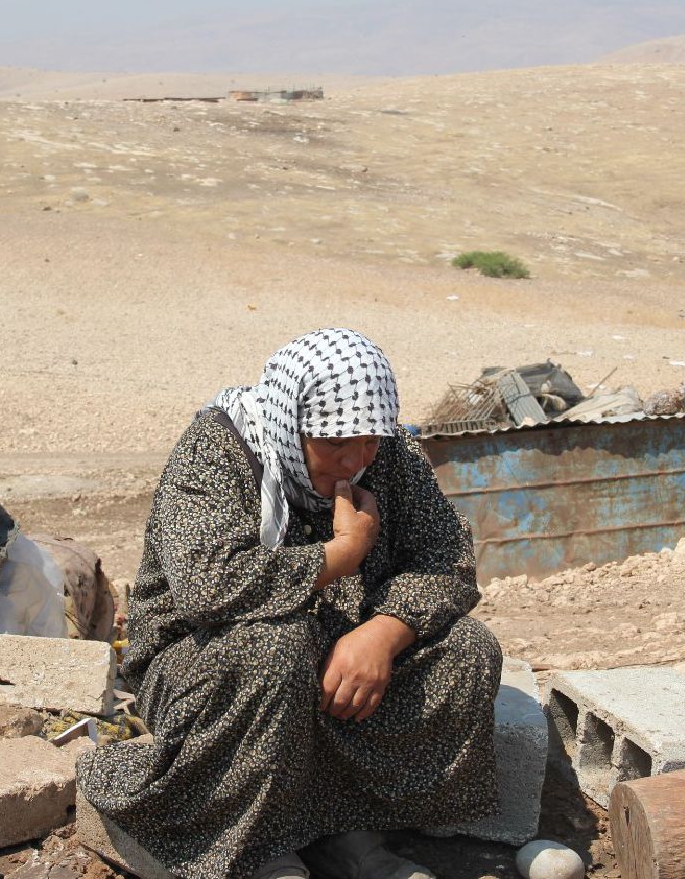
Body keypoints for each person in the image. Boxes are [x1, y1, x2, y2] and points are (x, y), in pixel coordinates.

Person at [76, 328, 502, 879]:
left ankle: (342, 829)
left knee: (467, 651)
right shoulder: (220, 449)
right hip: (207, 665)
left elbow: (448, 556)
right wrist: (341, 555)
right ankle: (247, 842)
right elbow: (208, 585)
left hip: (335, 656)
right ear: (290, 421)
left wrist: (382, 632)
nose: (354, 460)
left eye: (369, 439)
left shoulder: (387, 454)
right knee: (275, 648)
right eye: (332, 443)